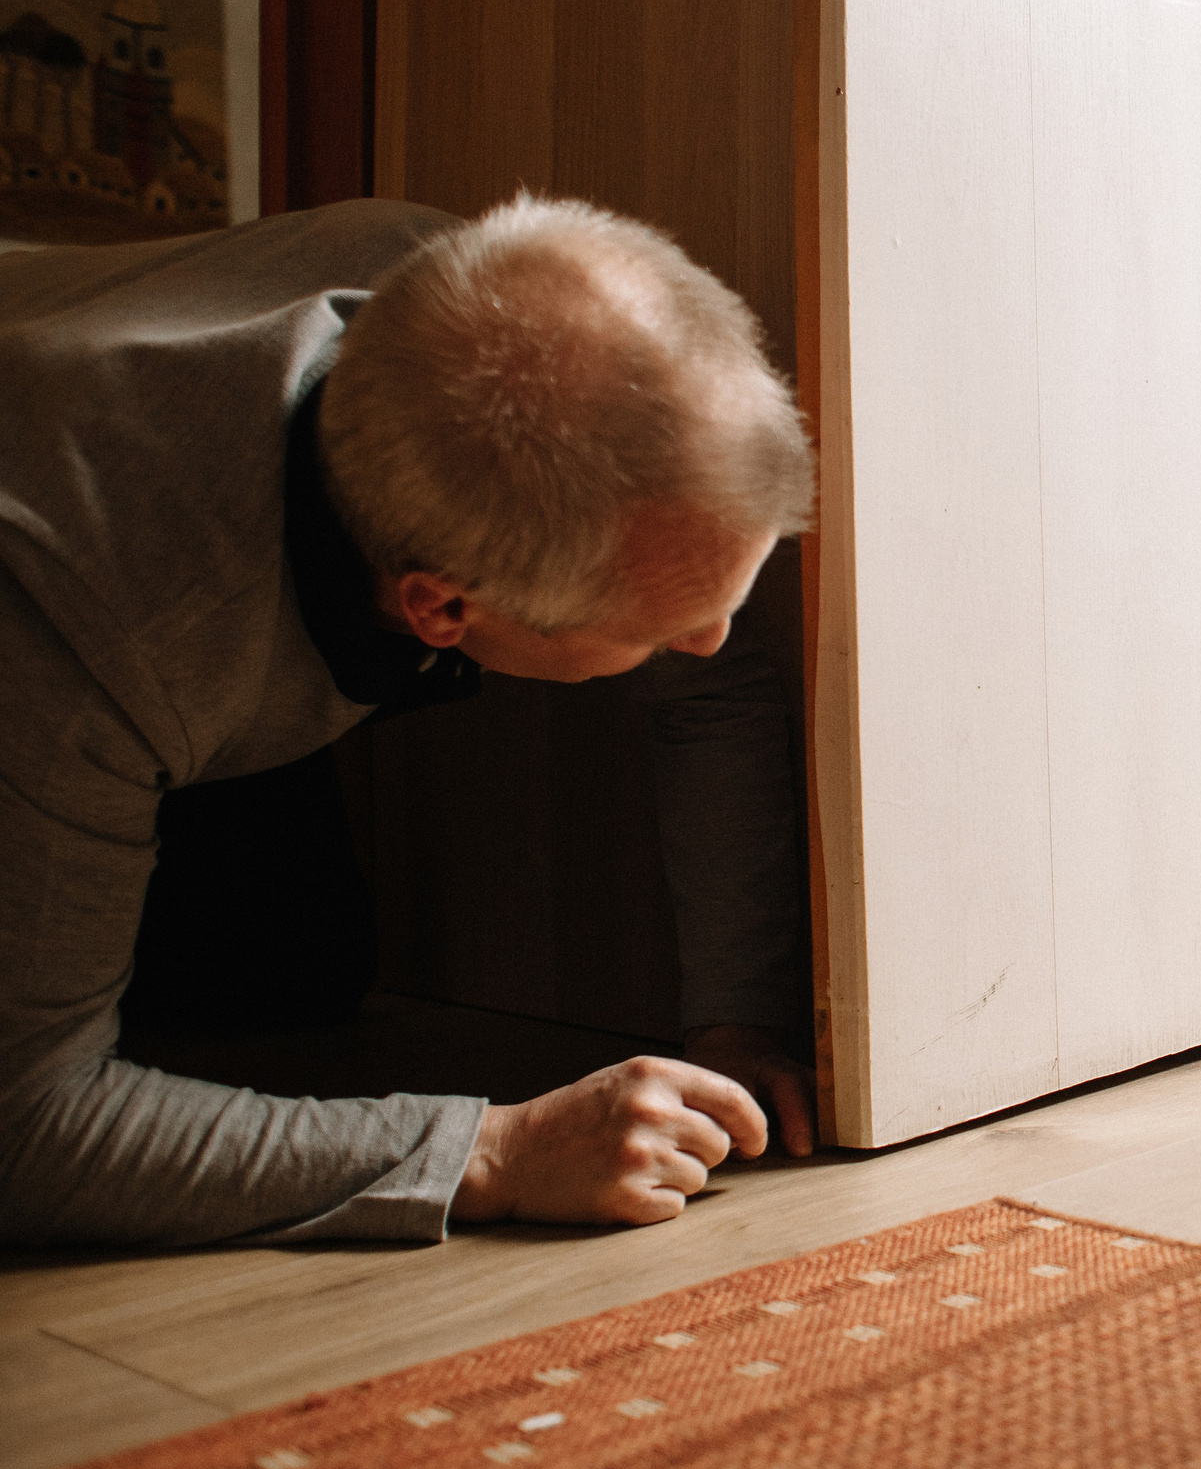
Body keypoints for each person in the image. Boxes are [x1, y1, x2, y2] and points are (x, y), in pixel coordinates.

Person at [1, 195, 820, 1246]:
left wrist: (735, 1020)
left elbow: (712, 683)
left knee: (291, 970)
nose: (716, 642)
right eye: (663, 631)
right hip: (70, 577)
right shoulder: (94, 622)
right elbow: (27, 1127)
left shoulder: (489, 299)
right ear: (440, 608)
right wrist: (492, 1151)